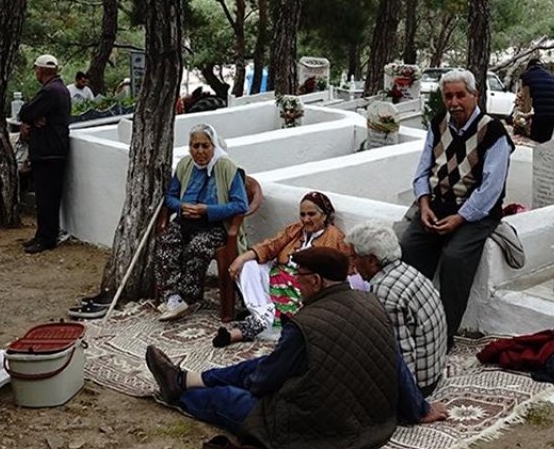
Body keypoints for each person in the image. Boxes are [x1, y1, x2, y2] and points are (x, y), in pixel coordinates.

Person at [144, 248, 447, 449]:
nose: (293, 284)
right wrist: (418, 409)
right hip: (374, 423)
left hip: (317, 432)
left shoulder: (306, 325)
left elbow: (262, 382)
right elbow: (396, 366)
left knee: (226, 397)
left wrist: (256, 384)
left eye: (298, 277)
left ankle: (182, 389)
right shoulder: (372, 304)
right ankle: (184, 378)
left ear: (315, 281)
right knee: (265, 364)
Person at [402, 68, 513, 346]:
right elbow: (423, 170)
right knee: (409, 249)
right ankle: (407, 324)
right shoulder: (439, 123)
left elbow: (491, 189)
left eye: (460, 95)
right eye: (448, 96)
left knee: (455, 259)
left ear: (475, 96)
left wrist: (460, 218)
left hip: (476, 213)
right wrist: (424, 203)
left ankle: (443, 335)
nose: (454, 102)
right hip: (436, 205)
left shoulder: (493, 132)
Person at [218, 191, 352, 346]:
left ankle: (258, 323)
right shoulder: (295, 229)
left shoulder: (335, 237)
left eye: (311, 214)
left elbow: (345, 268)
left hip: (302, 286)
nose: (306, 219)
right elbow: (271, 245)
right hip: (277, 277)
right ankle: (263, 314)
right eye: (302, 215)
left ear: (324, 215)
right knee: (248, 265)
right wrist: (241, 258)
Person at [155, 123, 248, 321]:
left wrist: (208, 210)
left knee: (197, 247)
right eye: (194, 146)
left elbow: (240, 205)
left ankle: (187, 297)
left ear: (213, 146)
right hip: (186, 221)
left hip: (215, 226)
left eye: (205, 146)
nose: (199, 151)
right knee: (166, 241)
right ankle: (173, 297)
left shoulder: (227, 167)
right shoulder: (185, 165)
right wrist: (182, 206)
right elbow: (169, 197)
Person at [345, 221, 447, 396]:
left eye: (354, 257)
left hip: (420, 383)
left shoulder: (384, 292)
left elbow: (402, 352)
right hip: (434, 368)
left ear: (371, 260)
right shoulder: (406, 270)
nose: (352, 264)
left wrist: (411, 402)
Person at [18, 54, 72, 254]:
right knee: (44, 197)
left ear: (40, 70)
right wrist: (34, 119)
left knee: (47, 198)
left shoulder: (50, 91)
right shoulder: (59, 89)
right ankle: (43, 235)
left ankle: (46, 238)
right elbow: (32, 114)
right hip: (52, 151)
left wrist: (30, 118)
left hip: (49, 152)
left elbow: (25, 112)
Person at [518, 58, 554, 143]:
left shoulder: (526, 76)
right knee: (546, 142)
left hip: (537, 115)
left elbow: (524, 98)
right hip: (553, 115)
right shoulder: (553, 77)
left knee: (535, 141)